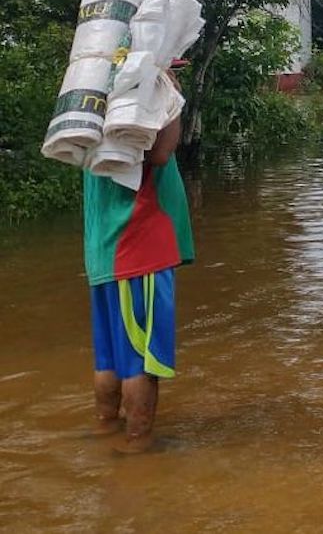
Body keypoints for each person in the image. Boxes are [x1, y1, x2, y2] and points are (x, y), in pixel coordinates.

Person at [85, 67, 193, 452]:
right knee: (140, 360)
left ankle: (105, 430)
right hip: (139, 244)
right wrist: (171, 97)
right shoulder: (144, 83)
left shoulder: (93, 88)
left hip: (103, 248)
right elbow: (160, 153)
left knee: (110, 356)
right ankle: (138, 445)